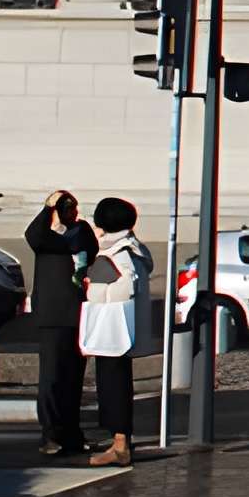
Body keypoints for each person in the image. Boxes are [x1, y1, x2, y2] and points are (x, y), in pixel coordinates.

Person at [22, 190, 98, 460]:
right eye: (66, 208)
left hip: (77, 313)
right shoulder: (45, 236)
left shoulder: (80, 231)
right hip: (53, 316)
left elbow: (89, 247)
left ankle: (71, 433)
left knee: (73, 379)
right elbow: (34, 236)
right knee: (52, 378)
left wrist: (65, 226)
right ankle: (51, 433)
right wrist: (48, 209)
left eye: (74, 208)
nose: (73, 213)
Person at [79, 197, 152, 467]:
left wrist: (92, 288)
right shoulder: (133, 249)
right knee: (116, 384)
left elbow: (123, 287)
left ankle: (120, 444)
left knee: (113, 387)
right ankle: (120, 441)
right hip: (122, 330)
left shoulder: (116, 252)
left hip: (112, 330)